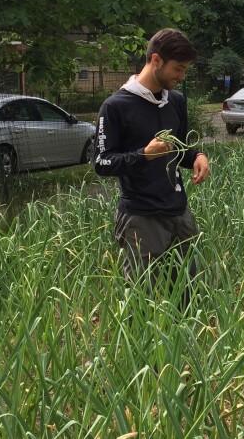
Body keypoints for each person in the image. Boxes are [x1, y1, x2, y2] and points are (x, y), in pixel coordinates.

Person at [95, 28, 210, 309]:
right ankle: (141, 353)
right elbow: (102, 162)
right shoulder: (115, 106)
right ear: (156, 60)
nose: (182, 77)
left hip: (179, 214)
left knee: (189, 294)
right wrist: (144, 155)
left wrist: (197, 156)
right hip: (140, 218)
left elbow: (178, 150)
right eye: (178, 69)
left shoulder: (176, 101)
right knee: (141, 301)